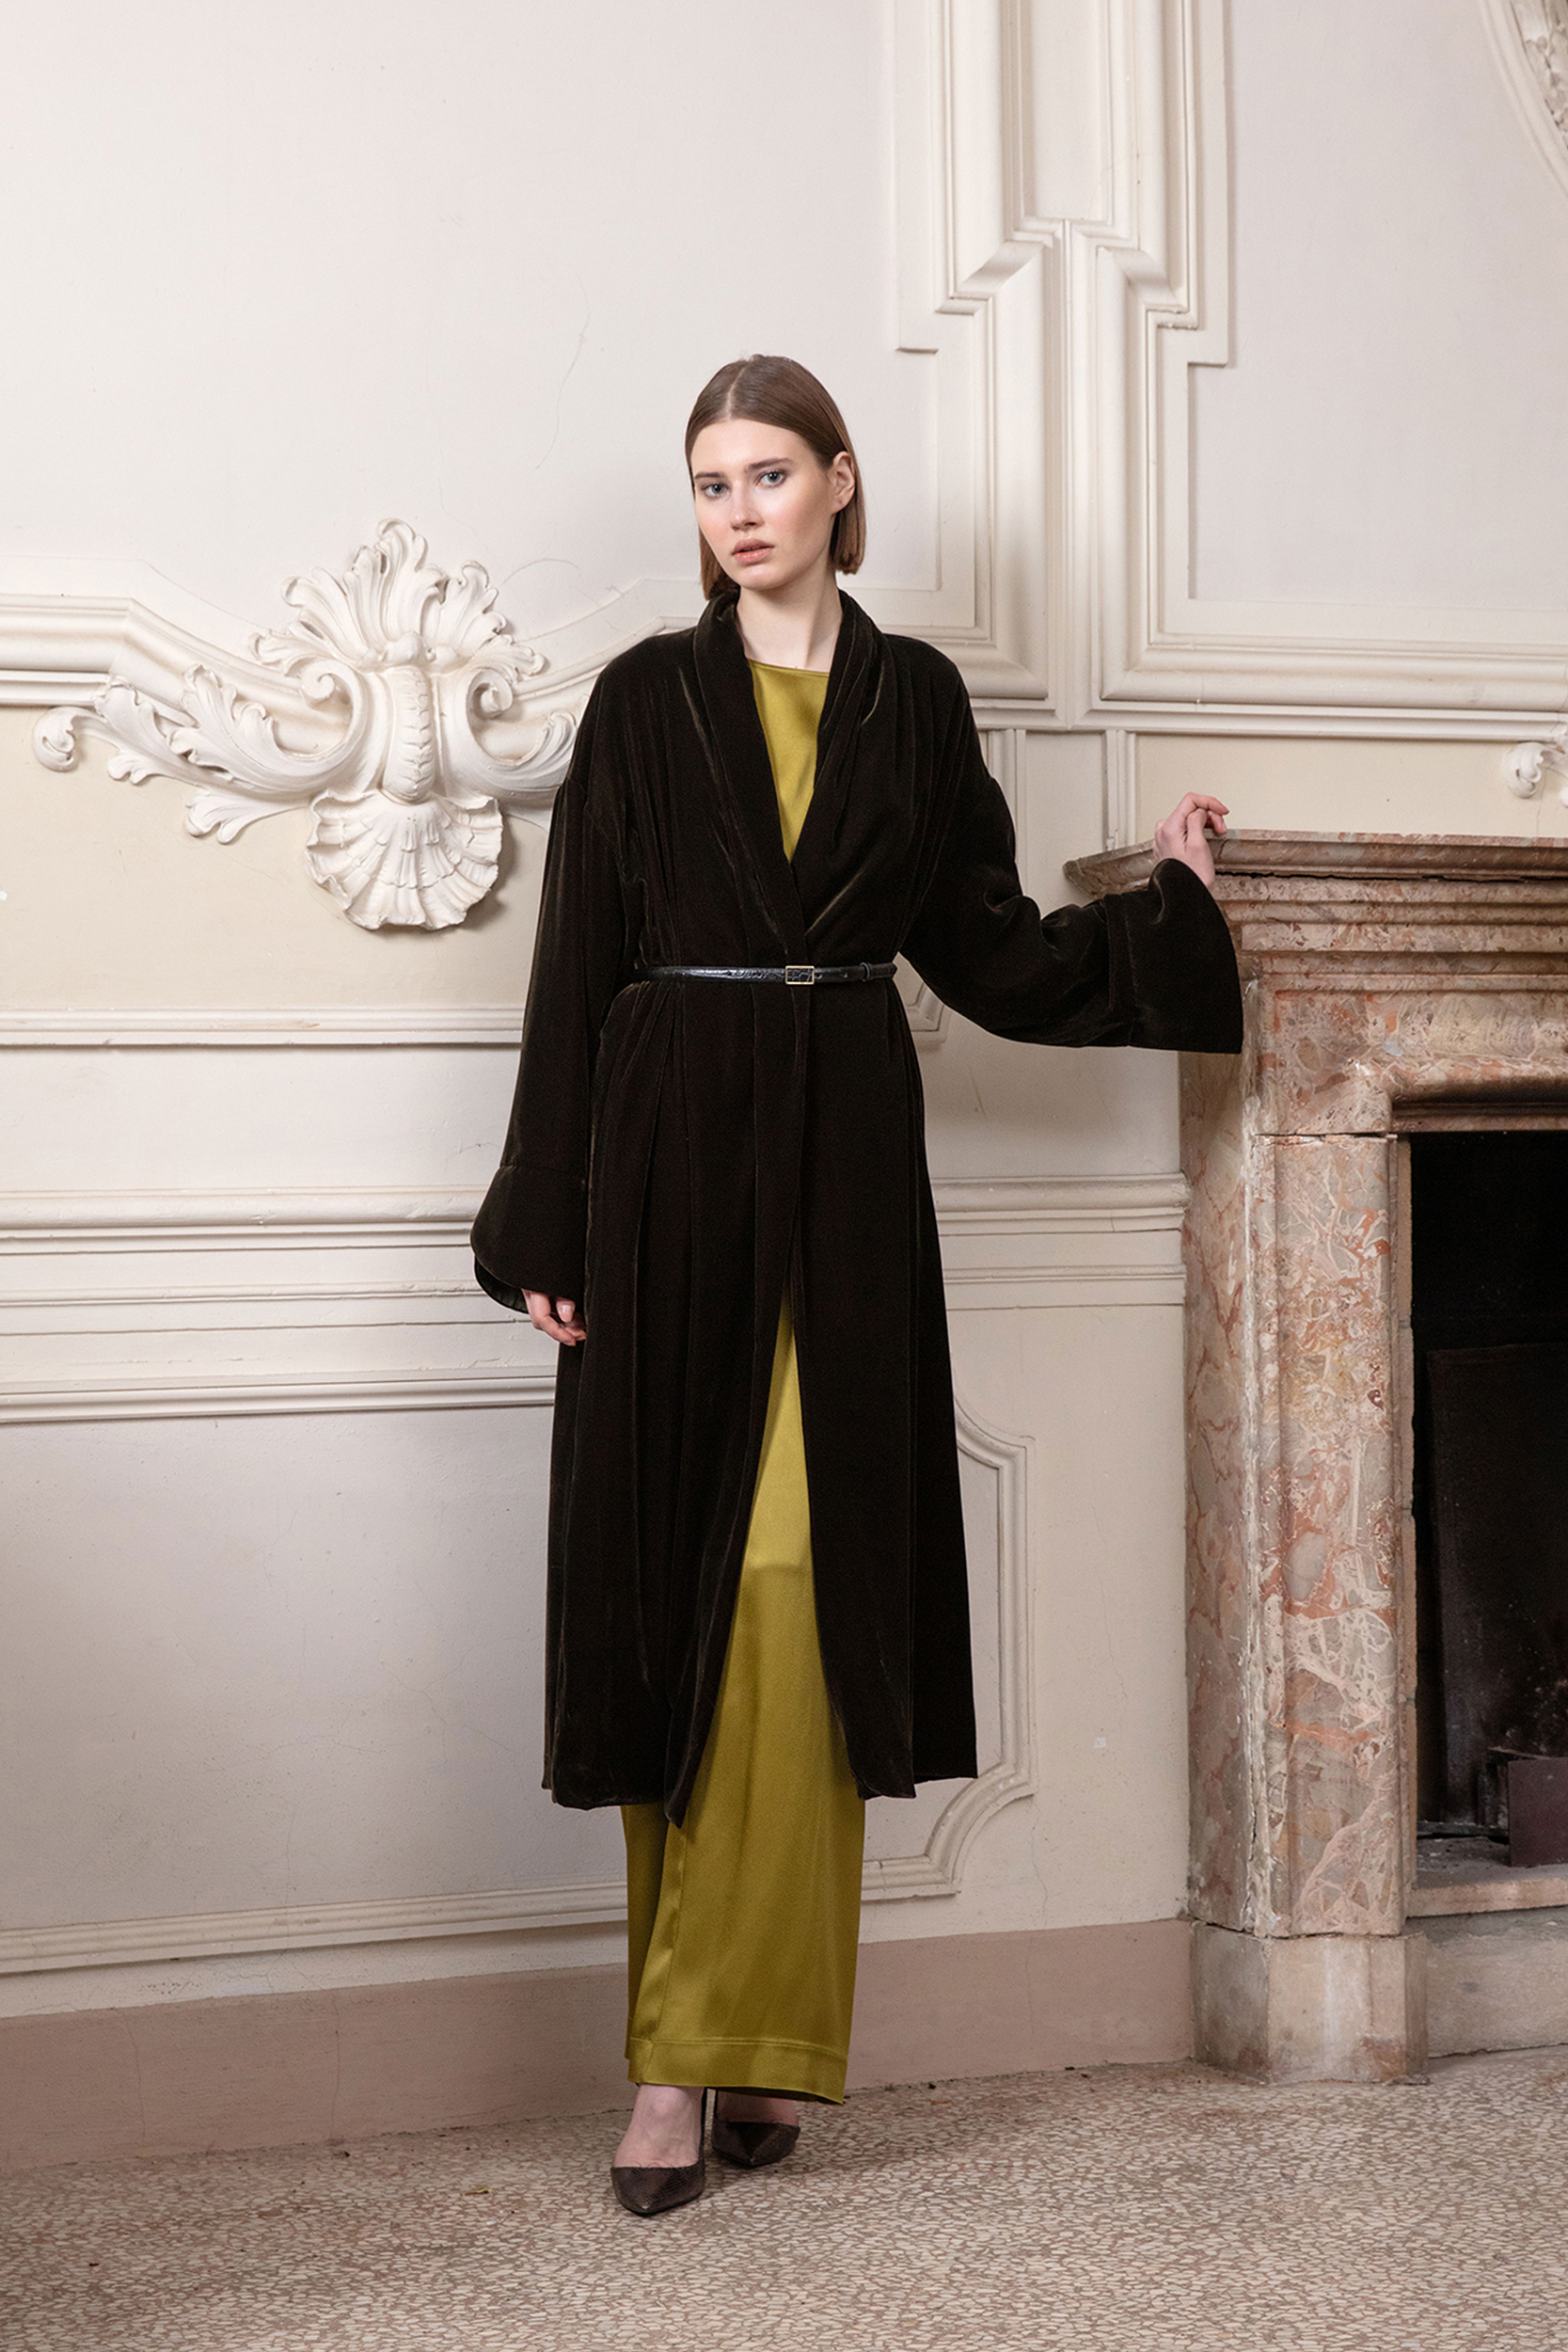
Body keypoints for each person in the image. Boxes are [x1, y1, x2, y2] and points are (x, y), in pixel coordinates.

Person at [471, 354, 1242, 2217]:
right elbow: (577, 961)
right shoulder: (647, 700)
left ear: (837, 481)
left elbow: (986, 944)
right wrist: (547, 1216)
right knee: (692, 1593)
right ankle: (681, 2058)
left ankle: (754, 2043)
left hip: (844, 1165)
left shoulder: (915, 700)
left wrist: (1173, 914)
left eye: (767, 473)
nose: (737, 509)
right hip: (668, 1163)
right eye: (710, 482)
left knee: (808, 1601)